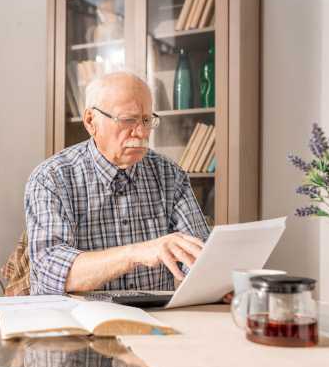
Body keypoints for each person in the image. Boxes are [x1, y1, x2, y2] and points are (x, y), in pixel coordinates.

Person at [25, 71, 209, 295]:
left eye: (146, 120)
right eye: (128, 120)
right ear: (91, 121)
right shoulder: (51, 178)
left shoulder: (170, 175)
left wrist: (215, 278)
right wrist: (136, 253)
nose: (141, 132)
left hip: (152, 325)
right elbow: (51, 271)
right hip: (77, 324)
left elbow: (199, 259)